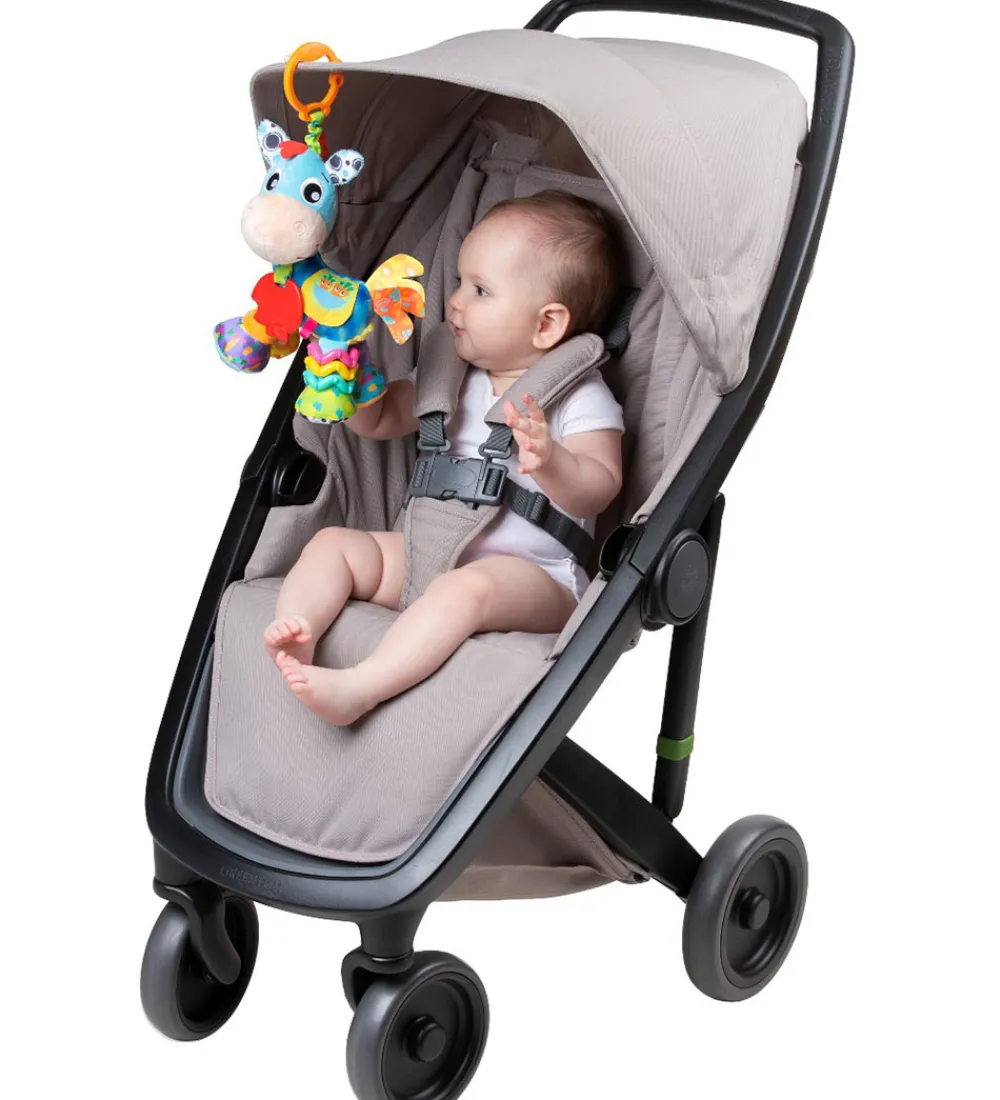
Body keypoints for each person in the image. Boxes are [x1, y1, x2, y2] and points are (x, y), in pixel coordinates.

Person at [263, 190, 625, 725]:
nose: (454, 302)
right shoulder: (451, 377)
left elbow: (601, 484)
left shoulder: (579, 396)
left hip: (536, 577)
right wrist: (348, 383)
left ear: (546, 324)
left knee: (468, 587)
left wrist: (551, 460)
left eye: (480, 290)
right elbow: (381, 420)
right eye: (458, 281)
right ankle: (298, 632)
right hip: (426, 552)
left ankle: (361, 687)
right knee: (333, 544)